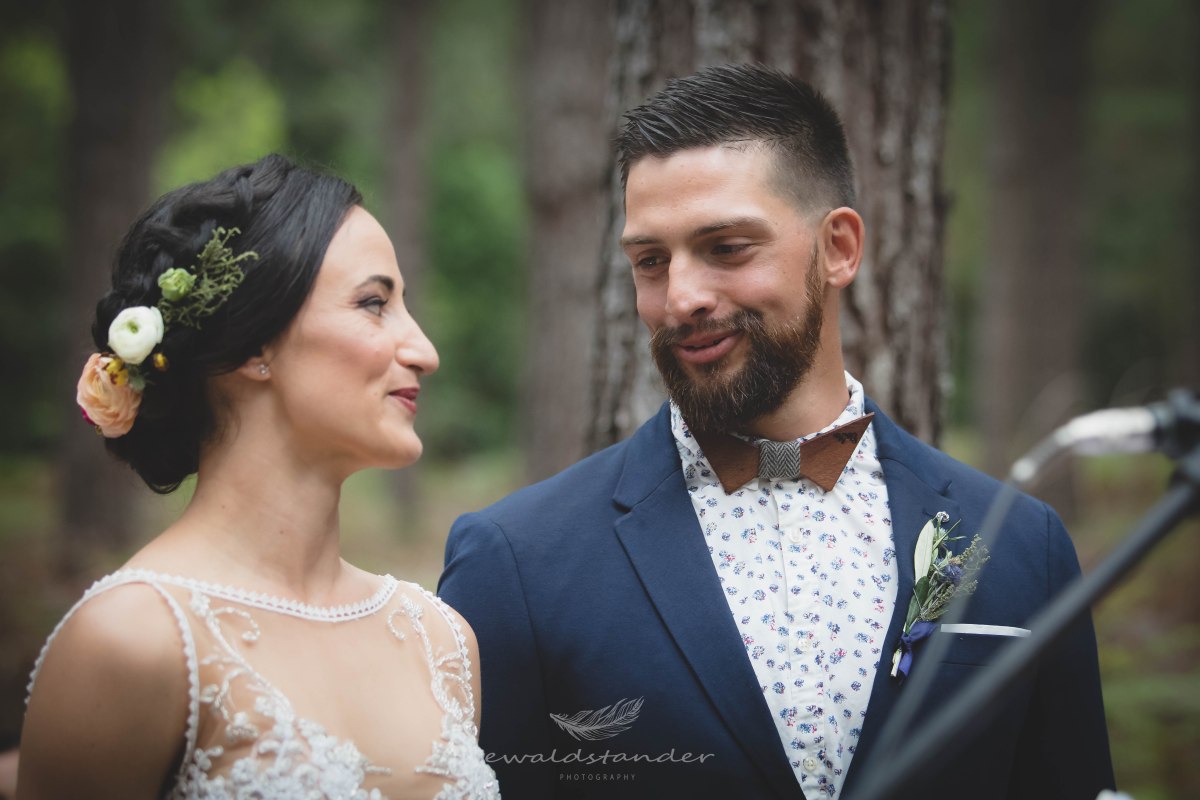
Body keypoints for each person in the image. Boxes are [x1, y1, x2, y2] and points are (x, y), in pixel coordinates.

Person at [440, 65, 1114, 799]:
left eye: (727, 247)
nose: (681, 298)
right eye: (651, 261)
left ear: (839, 248)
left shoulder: (1022, 545)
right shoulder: (517, 562)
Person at [19, 155, 499, 799]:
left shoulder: (439, 641)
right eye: (374, 303)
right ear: (253, 343)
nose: (424, 351)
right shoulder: (134, 640)